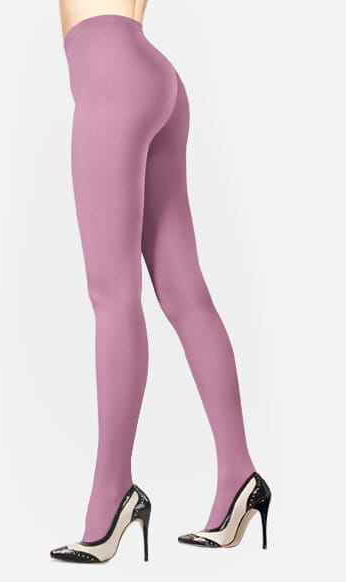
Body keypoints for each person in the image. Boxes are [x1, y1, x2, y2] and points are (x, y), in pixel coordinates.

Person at [51, 0, 271, 564]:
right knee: (184, 291)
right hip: (155, 74)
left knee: (112, 294)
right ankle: (239, 476)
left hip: (110, 75)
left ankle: (113, 496)